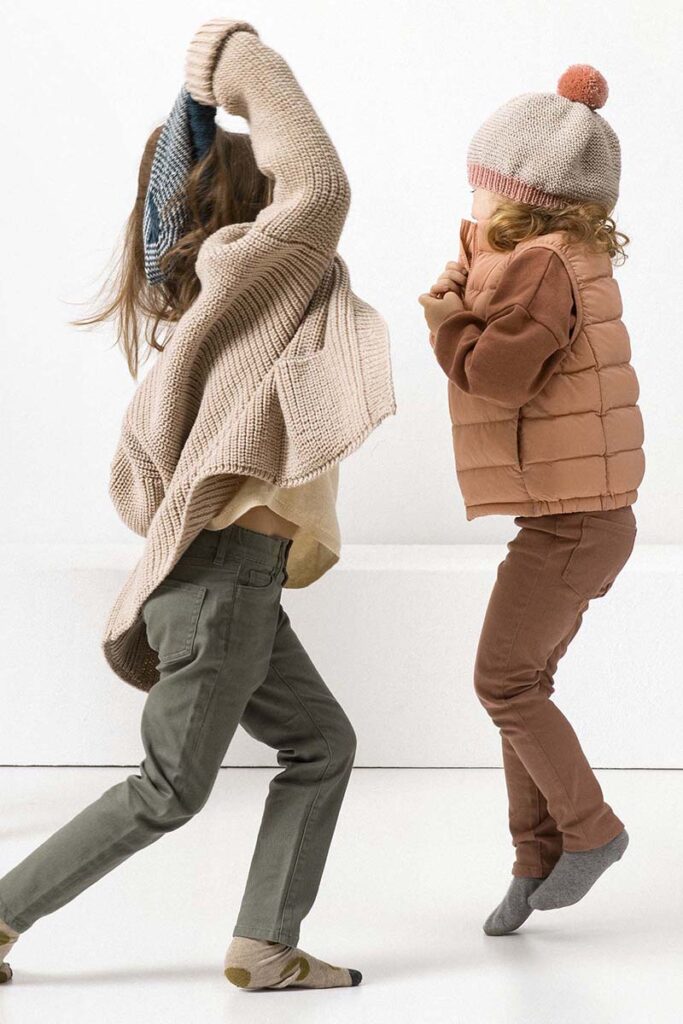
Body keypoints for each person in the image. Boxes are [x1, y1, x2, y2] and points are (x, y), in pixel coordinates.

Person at [0, 18, 395, 989]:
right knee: (168, 790)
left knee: (322, 743)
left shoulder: (224, 307)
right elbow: (323, 184)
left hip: (231, 584)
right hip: (224, 589)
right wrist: (230, 58)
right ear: (256, 206)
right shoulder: (255, 279)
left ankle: (263, 944)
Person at [419, 65, 644, 937]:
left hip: (575, 522)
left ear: (517, 194)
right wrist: (469, 278)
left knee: (502, 680)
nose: (470, 197)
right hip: (580, 516)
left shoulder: (540, 266)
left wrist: (445, 314)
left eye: (479, 183)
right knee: (524, 681)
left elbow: (494, 375)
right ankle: (534, 858)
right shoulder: (547, 258)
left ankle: (591, 832)